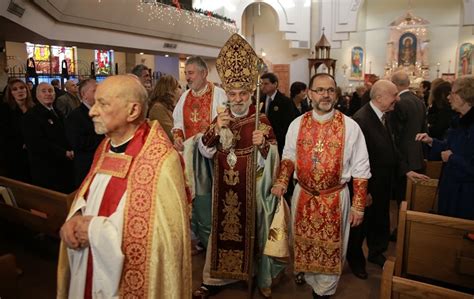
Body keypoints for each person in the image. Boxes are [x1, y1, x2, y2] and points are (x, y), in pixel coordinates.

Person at [57, 75, 191, 298]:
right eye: (95, 102)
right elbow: (91, 194)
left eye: (103, 104)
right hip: (88, 260)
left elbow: (163, 241)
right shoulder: (105, 147)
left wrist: (93, 230)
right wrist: (75, 217)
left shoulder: (161, 161)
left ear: (133, 111)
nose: (92, 112)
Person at [192, 33, 287, 299]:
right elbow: (204, 151)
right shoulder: (220, 117)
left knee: (254, 233)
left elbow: (275, 159)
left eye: (242, 93)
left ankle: (256, 275)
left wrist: (263, 144)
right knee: (220, 235)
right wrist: (213, 130)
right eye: (232, 93)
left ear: (250, 94)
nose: (236, 98)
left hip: (252, 190)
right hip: (223, 189)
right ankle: (214, 279)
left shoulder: (261, 119)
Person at [272, 73, 371, 298]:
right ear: (310, 94)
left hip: (335, 199)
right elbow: (289, 156)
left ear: (335, 94)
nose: (325, 95)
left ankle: (324, 292)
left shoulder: (350, 126)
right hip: (303, 195)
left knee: (332, 252)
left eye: (330, 90)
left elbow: (361, 168)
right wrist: (281, 181)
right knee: (302, 245)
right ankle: (307, 275)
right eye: (320, 90)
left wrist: (358, 205)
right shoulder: (297, 124)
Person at [172, 56, 227, 249]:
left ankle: (212, 239)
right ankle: (197, 238)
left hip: (211, 160)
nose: (187, 77)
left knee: (207, 198)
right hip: (189, 157)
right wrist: (178, 136)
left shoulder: (219, 95)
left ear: (204, 73)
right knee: (191, 197)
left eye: (191, 73)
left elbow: (225, 124)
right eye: (186, 73)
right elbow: (177, 122)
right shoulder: (185, 97)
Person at [347, 80, 399, 279]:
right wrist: (363, 191)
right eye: (394, 94)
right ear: (379, 98)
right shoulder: (361, 120)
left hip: (383, 183)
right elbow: (355, 159)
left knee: (379, 220)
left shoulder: (386, 116)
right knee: (360, 227)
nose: (398, 98)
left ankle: (376, 252)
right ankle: (355, 260)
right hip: (367, 185)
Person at [416, 75, 474, 220]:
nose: (448, 97)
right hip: (451, 187)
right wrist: (431, 141)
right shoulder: (460, 119)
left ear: (464, 95)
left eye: (452, 93)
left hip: (465, 194)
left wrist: (452, 158)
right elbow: (450, 146)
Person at [22, 82, 74, 193]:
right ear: (37, 96)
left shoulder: (58, 112)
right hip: (46, 167)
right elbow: (37, 143)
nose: (48, 94)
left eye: (50, 91)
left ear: (55, 94)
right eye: (44, 91)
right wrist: (63, 152)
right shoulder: (31, 116)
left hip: (63, 164)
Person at [390, 71, 429, 200]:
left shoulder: (399, 102)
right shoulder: (419, 101)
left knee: (402, 197)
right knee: (412, 198)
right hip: (417, 155)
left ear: (394, 84)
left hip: (403, 158)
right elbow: (424, 130)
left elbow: (396, 134)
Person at [65, 79, 104, 188]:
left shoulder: (103, 112)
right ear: (84, 95)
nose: (99, 94)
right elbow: (78, 143)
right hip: (87, 166)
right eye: (95, 91)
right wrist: (104, 138)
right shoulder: (75, 116)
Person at [1, 79, 35, 182]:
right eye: (15, 89)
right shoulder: (5, 109)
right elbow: (5, 133)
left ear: (26, 90)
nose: (19, 91)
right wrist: (22, 143)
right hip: (15, 154)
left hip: (34, 152)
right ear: (11, 93)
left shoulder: (34, 108)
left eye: (22, 88)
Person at [260, 72, 297, 157]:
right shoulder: (260, 100)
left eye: (266, 84)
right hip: (264, 141)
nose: (263, 86)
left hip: (280, 142)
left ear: (275, 84)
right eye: (262, 84)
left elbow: (288, 123)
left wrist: (278, 139)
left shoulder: (285, 101)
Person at [148, 74, 181, 141]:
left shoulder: (170, 107)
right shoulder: (158, 108)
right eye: (178, 87)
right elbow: (171, 134)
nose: (181, 90)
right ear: (170, 90)